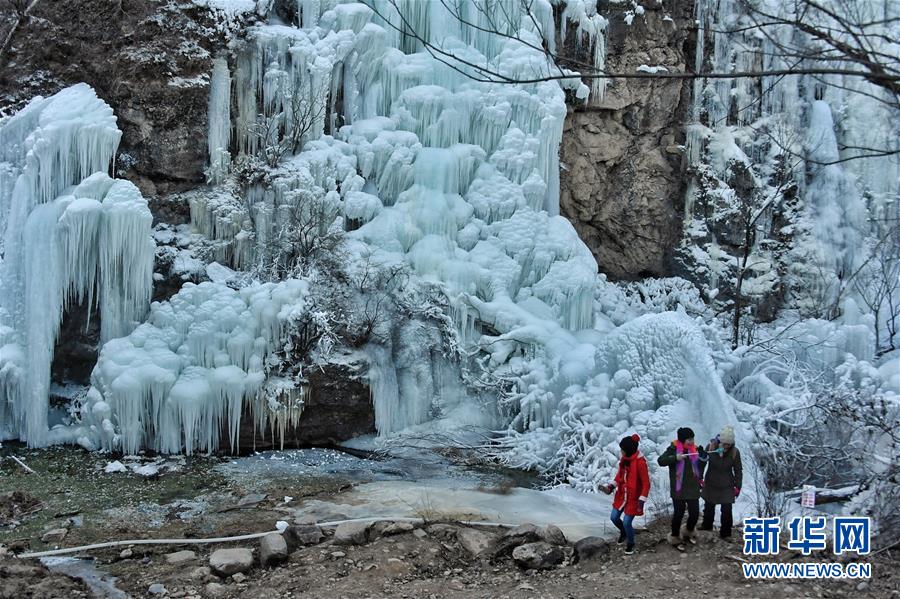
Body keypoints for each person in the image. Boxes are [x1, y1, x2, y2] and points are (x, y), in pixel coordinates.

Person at [658, 427, 707, 548]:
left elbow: (700, 467)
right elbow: (661, 461)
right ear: (682, 440)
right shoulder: (673, 449)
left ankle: (688, 531)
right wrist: (676, 457)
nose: (691, 441)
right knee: (678, 514)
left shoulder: (694, 450)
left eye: (692, 438)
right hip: (678, 489)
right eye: (689, 439)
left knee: (694, 514)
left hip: (693, 487)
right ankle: (675, 536)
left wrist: (703, 458)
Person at [601, 433, 650, 555]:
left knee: (627, 521)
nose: (620, 451)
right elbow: (620, 476)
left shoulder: (640, 463)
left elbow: (646, 483)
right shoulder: (624, 460)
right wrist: (611, 486)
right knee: (614, 517)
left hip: (634, 498)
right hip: (622, 495)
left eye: (622, 449)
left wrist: (642, 499)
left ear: (627, 450)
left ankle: (631, 542)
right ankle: (624, 532)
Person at [700, 425, 743, 539]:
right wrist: (699, 477)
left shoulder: (734, 452)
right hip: (711, 482)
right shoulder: (711, 447)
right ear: (720, 441)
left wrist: (738, 486)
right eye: (725, 444)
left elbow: (738, 470)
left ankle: (726, 533)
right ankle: (706, 525)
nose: (727, 446)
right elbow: (702, 463)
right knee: (709, 506)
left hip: (727, 484)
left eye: (729, 444)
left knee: (727, 510)